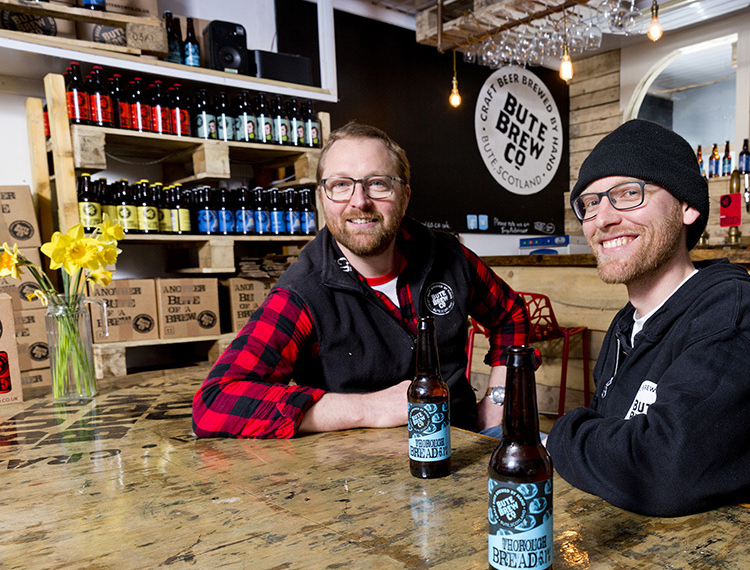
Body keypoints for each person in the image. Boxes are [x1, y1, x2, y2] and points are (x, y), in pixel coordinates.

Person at [193, 122, 528, 438]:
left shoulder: (447, 254)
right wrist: (367, 409)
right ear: (323, 199)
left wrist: (498, 399)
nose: (359, 201)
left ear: (405, 196)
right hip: (362, 478)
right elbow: (215, 403)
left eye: (378, 183)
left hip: (464, 442)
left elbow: (510, 313)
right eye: (341, 185)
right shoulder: (303, 291)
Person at [546, 119, 750, 517]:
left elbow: (663, 468)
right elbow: (617, 450)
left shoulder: (733, 312)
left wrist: (561, 433)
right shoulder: (626, 325)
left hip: (731, 564)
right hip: (639, 549)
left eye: (628, 193)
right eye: (591, 203)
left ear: (687, 207)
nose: (602, 219)